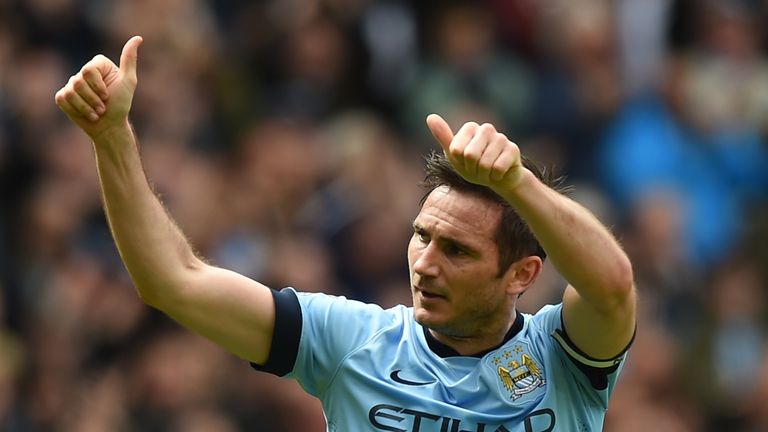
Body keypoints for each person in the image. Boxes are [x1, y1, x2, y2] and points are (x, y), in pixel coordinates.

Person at [54, 36, 636, 431]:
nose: (425, 263)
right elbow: (173, 281)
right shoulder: (351, 342)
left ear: (523, 274)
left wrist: (518, 186)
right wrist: (112, 139)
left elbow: (610, 287)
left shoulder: (562, 359)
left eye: (456, 249)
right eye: (422, 236)